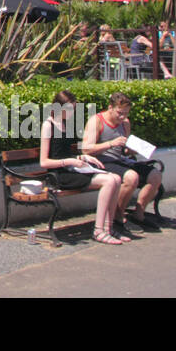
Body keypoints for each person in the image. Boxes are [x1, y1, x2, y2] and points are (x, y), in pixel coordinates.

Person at [40, 91, 126, 244]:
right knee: (109, 181)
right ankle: (99, 230)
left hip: (72, 169)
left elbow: (65, 152)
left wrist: (81, 157)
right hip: (59, 175)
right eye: (69, 109)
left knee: (116, 178)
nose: (72, 112)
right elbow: (44, 162)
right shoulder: (48, 125)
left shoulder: (66, 124)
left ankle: (109, 227)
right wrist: (70, 162)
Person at [81, 92, 165, 234]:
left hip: (120, 160)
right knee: (131, 177)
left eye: (126, 114)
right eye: (119, 113)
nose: (122, 117)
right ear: (110, 108)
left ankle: (139, 214)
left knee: (155, 175)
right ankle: (117, 217)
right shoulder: (97, 121)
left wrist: (132, 151)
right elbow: (86, 149)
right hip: (101, 161)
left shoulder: (125, 123)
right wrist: (110, 143)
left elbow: (124, 150)